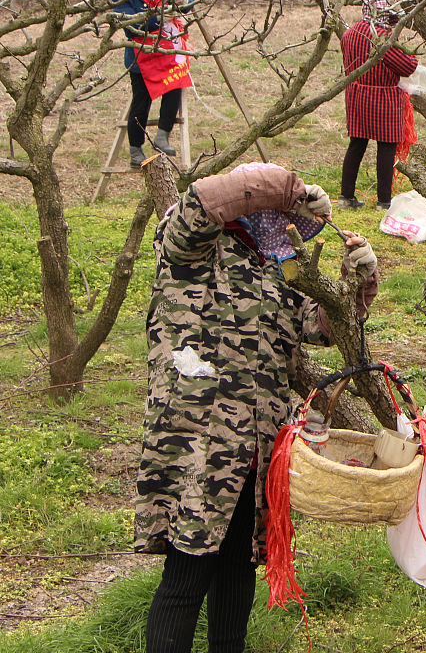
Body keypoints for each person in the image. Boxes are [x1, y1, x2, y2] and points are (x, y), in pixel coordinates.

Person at [135, 162, 379, 653]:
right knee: (187, 574)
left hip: (256, 446)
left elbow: (323, 328)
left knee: (236, 569)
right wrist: (290, 188)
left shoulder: (276, 268)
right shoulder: (189, 246)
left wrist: (359, 278)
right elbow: (206, 198)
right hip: (198, 444)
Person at [110, 0, 193, 168]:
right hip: (141, 57)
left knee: (175, 86)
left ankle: (163, 136)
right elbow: (132, 26)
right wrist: (160, 15)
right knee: (141, 102)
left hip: (166, 52)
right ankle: (135, 149)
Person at [339, 0, 419, 211]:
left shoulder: (350, 33)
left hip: (357, 94)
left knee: (357, 144)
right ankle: (384, 202)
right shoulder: (382, 38)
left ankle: (346, 197)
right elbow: (408, 66)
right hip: (384, 98)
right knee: (386, 147)